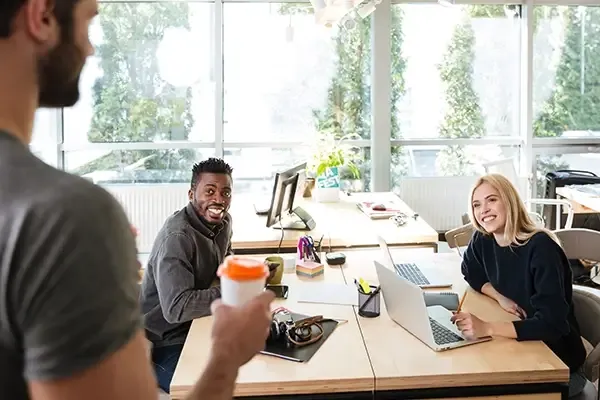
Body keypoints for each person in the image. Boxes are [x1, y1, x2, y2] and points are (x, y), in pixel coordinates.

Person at [0, 0, 274, 399]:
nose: (91, 49)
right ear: (41, 16)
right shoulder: (66, 216)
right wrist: (229, 354)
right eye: (89, 20)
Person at [452, 174, 589, 398]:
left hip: (559, 367)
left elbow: (552, 325)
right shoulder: (484, 239)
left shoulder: (541, 248)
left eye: (492, 200)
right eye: (477, 204)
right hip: (526, 347)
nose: (483, 209)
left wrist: (488, 328)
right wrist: (499, 297)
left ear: (510, 201)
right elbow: (470, 271)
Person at [140, 158, 235, 393]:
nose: (219, 200)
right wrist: (235, 293)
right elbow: (177, 309)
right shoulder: (178, 237)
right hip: (165, 341)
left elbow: (227, 259)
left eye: (225, 192)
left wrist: (247, 275)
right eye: (210, 191)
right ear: (192, 193)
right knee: (209, 392)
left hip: (199, 324)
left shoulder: (223, 222)